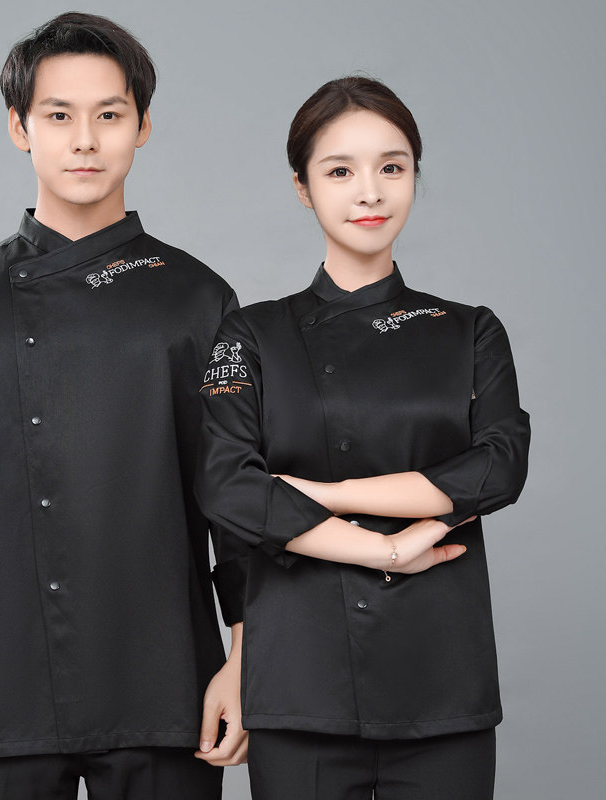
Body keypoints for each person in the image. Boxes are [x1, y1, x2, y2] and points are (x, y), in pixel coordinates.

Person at [0, 12, 247, 800]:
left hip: (166, 680)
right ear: (19, 127)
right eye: (59, 116)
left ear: (143, 126)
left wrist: (243, 660)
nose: (85, 141)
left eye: (109, 115)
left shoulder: (199, 299)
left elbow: (238, 500)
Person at [195, 76, 530, 800]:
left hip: (442, 679)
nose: (370, 192)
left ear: (414, 176)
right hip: (299, 683)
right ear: (303, 188)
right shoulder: (251, 334)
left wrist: (327, 492)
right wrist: (389, 550)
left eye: (392, 167)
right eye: (340, 171)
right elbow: (226, 486)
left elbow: (500, 466)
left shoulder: (470, 330)